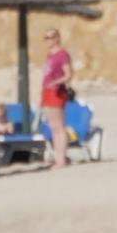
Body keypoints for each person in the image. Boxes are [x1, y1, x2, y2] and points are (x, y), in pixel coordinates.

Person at [40, 29, 74, 169]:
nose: (48, 40)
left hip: (56, 92)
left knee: (59, 127)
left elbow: (68, 74)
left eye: (51, 37)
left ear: (57, 38)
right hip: (47, 91)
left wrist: (56, 82)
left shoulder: (62, 55)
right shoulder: (49, 55)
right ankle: (57, 158)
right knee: (53, 127)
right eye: (46, 37)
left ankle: (61, 159)